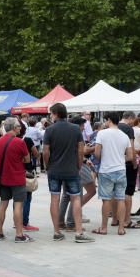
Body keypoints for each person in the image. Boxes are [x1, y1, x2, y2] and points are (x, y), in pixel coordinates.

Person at [43, 103, 89, 242]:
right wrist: (79, 165)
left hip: (54, 170)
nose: (51, 115)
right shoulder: (75, 129)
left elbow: (45, 151)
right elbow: (81, 149)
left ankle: (57, 232)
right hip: (72, 169)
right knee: (75, 198)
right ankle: (79, 232)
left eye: (51, 113)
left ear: (55, 113)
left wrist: (48, 166)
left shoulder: (50, 130)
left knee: (55, 199)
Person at [93, 112, 133, 236]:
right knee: (121, 199)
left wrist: (102, 158)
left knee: (106, 200)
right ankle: (121, 228)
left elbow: (97, 153)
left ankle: (104, 228)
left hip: (106, 170)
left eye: (105, 120)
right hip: (121, 170)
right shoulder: (124, 136)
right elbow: (130, 156)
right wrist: (120, 160)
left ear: (109, 120)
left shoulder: (102, 133)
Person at [0, 118, 30, 243]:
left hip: (3, 178)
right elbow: (27, 159)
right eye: (19, 126)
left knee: (3, 204)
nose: (20, 128)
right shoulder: (20, 142)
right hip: (17, 178)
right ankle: (19, 235)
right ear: (13, 127)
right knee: (18, 205)